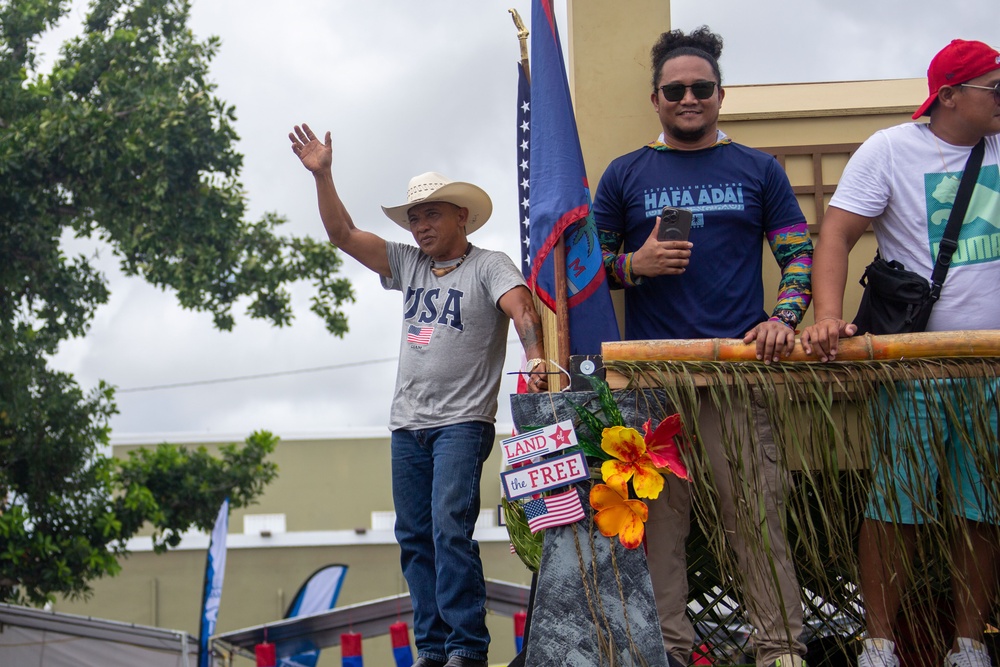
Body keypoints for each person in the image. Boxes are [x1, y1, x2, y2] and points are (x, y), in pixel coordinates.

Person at [592, 26, 813, 667]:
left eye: (701, 88)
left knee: (759, 519)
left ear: (721, 94)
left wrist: (785, 317)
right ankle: (667, 651)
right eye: (675, 89)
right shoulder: (624, 174)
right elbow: (583, 270)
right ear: (655, 98)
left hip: (739, 373)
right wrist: (636, 264)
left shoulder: (759, 169)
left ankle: (778, 651)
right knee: (658, 531)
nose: (689, 98)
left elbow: (797, 256)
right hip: (651, 383)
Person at [289, 124, 548, 667]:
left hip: (462, 421)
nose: (422, 225)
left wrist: (535, 356)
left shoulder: (488, 264)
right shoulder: (408, 264)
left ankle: (466, 648)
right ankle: (432, 648)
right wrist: (324, 175)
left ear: (461, 216)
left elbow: (522, 307)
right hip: (407, 423)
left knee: (449, 528)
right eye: (414, 217)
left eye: (432, 214)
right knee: (414, 536)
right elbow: (342, 234)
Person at [801, 39, 1000, 667]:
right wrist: (829, 319)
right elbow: (837, 230)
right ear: (949, 96)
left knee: (985, 506)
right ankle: (881, 645)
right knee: (898, 506)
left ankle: (969, 645)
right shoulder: (890, 148)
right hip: (916, 361)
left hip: (993, 364)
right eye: (994, 88)